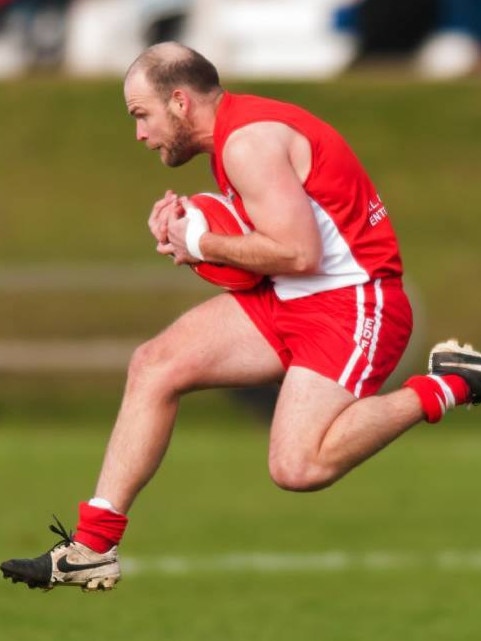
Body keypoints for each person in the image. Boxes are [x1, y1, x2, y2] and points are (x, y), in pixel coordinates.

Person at [2, 41, 480, 592]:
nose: (139, 133)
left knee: (297, 469)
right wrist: (191, 237)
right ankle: (93, 546)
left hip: (353, 304)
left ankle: (450, 383)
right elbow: (268, 252)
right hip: (291, 297)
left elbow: (300, 252)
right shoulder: (236, 136)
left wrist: (202, 240)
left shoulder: (248, 143)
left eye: (141, 115)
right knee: (157, 364)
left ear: (179, 102)